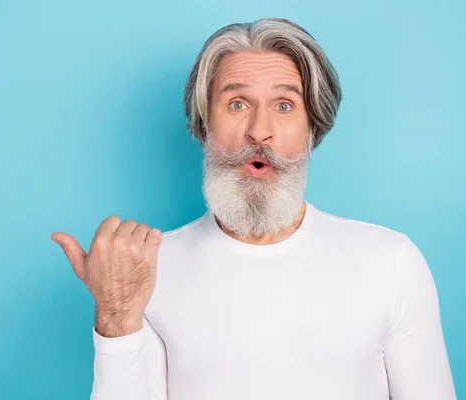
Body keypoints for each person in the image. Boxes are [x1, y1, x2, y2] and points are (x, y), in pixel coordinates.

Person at [50, 17, 456, 400]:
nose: (259, 131)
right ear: (204, 122)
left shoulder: (391, 262)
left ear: (312, 127)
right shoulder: (150, 268)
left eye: (284, 105)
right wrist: (117, 317)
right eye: (238, 104)